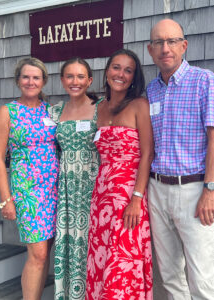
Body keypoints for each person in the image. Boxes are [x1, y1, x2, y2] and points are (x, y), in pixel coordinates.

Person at [147, 19, 214, 299]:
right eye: (159, 43)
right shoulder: (151, 90)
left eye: (172, 41)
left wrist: (210, 190)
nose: (166, 48)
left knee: (202, 276)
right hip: (157, 189)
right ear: (150, 50)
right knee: (171, 275)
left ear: (184, 45)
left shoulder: (205, 81)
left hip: (194, 190)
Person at [85, 49, 154, 300]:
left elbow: (147, 154)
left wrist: (136, 198)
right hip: (101, 196)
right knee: (102, 257)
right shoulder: (100, 107)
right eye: (116, 67)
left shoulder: (139, 105)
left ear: (134, 77)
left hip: (128, 196)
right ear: (106, 71)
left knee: (124, 259)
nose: (121, 74)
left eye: (128, 70)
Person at [0, 57, 59, 300]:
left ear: (43, 81)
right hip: (28, 193)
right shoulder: (7, 112)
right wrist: (6, 199)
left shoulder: (50, 110)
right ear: (18, 80)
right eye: (26, 77)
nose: (31, 82)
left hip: (55, 190)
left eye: (36, 77)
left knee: (46, 252)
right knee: (38, 254)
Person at [48, 57, 101, 300]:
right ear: (62, 80)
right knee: (69, 241)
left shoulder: (102, 107)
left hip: (93, 184)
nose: (75, 81)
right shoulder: (54, 112)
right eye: (70, 76)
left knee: (91, 241)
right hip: (65, 187)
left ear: (89, 80)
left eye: (81, 77)